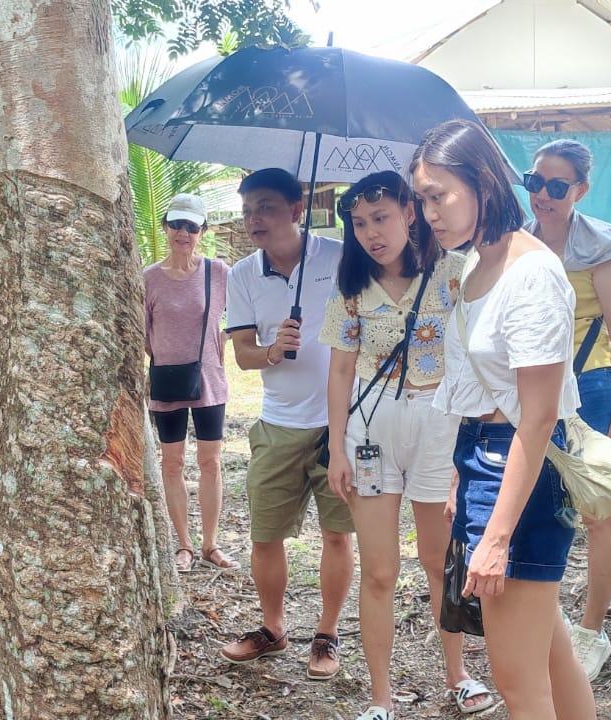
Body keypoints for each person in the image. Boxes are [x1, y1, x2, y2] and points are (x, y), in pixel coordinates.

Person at [415, 119, 597, 719]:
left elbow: (539, 418)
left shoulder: (532, 273)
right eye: (422, 198)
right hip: (483, 459)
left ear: (481, 183)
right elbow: (478, 388)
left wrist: (493, 538)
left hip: (521, 467)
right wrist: (457, 480)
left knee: (517, 681)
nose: (428, 213)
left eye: (438, 196)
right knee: (549, 652)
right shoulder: (473, 265)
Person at [317, 171, 492, 720]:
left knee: (440, 559)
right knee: (379, 570)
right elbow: (340, 372)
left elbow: (477, 351)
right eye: (361, 223)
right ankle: (380, 698)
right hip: (370, 432)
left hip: (439, 423)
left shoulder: (452, 272)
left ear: (410, 214)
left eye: (383, 217)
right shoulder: (350, 288)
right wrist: (338, 451)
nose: (373, 233)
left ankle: (458, 675)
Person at [221, 167, 355, 681]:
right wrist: (273, 351)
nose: (253, 218)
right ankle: (273, 629)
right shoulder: (242, 275)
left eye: (266, 208)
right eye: (248, 208)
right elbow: (243, 355)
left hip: (340, 424)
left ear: (297, 211)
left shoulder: (339, 255)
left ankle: (327, 633)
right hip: (278, 424)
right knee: (265, 535)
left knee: (338, 535)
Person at [523, 139, 611, 681]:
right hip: (529, 388)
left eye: (556, 187)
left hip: (588, 386)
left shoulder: (603, 250)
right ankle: (539, 626)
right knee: (531, 506)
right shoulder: (517, 244)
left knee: (595, 509)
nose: (543, 196)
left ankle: (592, 630)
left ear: (580, 191)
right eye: (536, 183)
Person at [146, 193, 237, 572]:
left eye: (191, 226)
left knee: (210, 462)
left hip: (209, 381)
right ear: (166, 226)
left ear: (203, 231)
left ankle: (210, 544)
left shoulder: (218, 273)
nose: (183, 233)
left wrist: (222, 342)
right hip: (167, 381)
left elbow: (243, 317)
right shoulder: (148, 278)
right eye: (176, 224)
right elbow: (141, 332)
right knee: (172, 463)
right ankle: (182, 544)